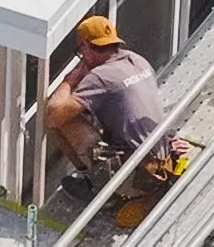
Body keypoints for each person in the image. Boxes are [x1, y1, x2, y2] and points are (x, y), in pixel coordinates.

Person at [43, 16, 170, 192]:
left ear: (86, 46)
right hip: (162, 156)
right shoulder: (137, 60)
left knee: (63, 121)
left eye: (81, 53)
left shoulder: (100, 77)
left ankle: (94, 184)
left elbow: (53, 116)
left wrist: (69, 81)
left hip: (136, 174)